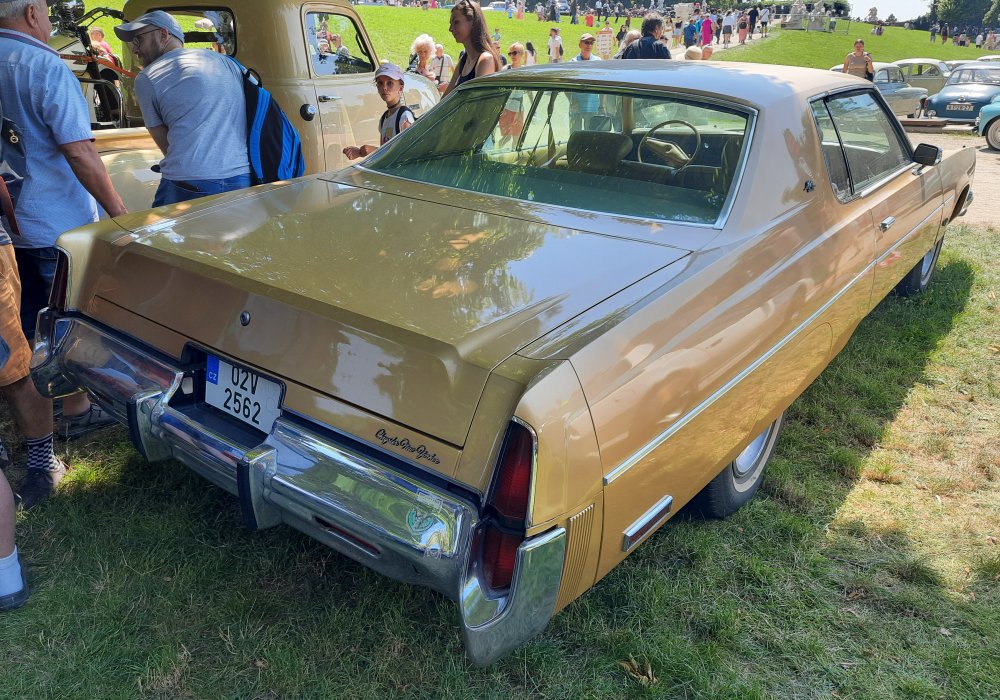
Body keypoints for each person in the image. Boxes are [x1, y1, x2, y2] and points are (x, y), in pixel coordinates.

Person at [1, 0, 126, 447]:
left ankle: (39, 402)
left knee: (23, 320)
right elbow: (79, 150)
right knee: (65, 320)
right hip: (53, 221)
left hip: (7, 227)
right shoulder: (42, 64)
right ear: (32, 13)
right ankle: (74, 408)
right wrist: (121, 215)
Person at [115, 11, 250, 207]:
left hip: (188, 180)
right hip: (242, 177)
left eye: (138, 40)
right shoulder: (228, 63)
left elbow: (166, 144)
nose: (135, 50)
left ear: (163, 35)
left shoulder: (147, 77)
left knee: (159, 228)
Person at [342, 64, 413, 160]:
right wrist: (359, 152)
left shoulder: (404, 117)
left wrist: (374, 150)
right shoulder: (384, 118)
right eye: (380, 83)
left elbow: (408, 153)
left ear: (400, 88)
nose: (384, 87)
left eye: (390, 83)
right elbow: (384, 153)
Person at [443, 0, 500, 96]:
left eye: (456, 22)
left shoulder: (485, 60)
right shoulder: (464, 60)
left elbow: (477, 102)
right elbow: (445, 99)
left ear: (473, 22)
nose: (450, 28)